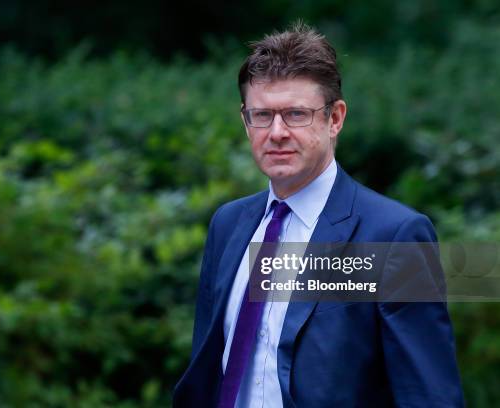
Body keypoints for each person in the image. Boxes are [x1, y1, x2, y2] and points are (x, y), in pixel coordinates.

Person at [173, 22, 464, 407]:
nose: (276, 132)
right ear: (245, 121)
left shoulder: (392, 236)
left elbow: (429, 397)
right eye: (261, 115)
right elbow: (207, 374)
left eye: (295, 114)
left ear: (335, 118)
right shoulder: (228, 225)